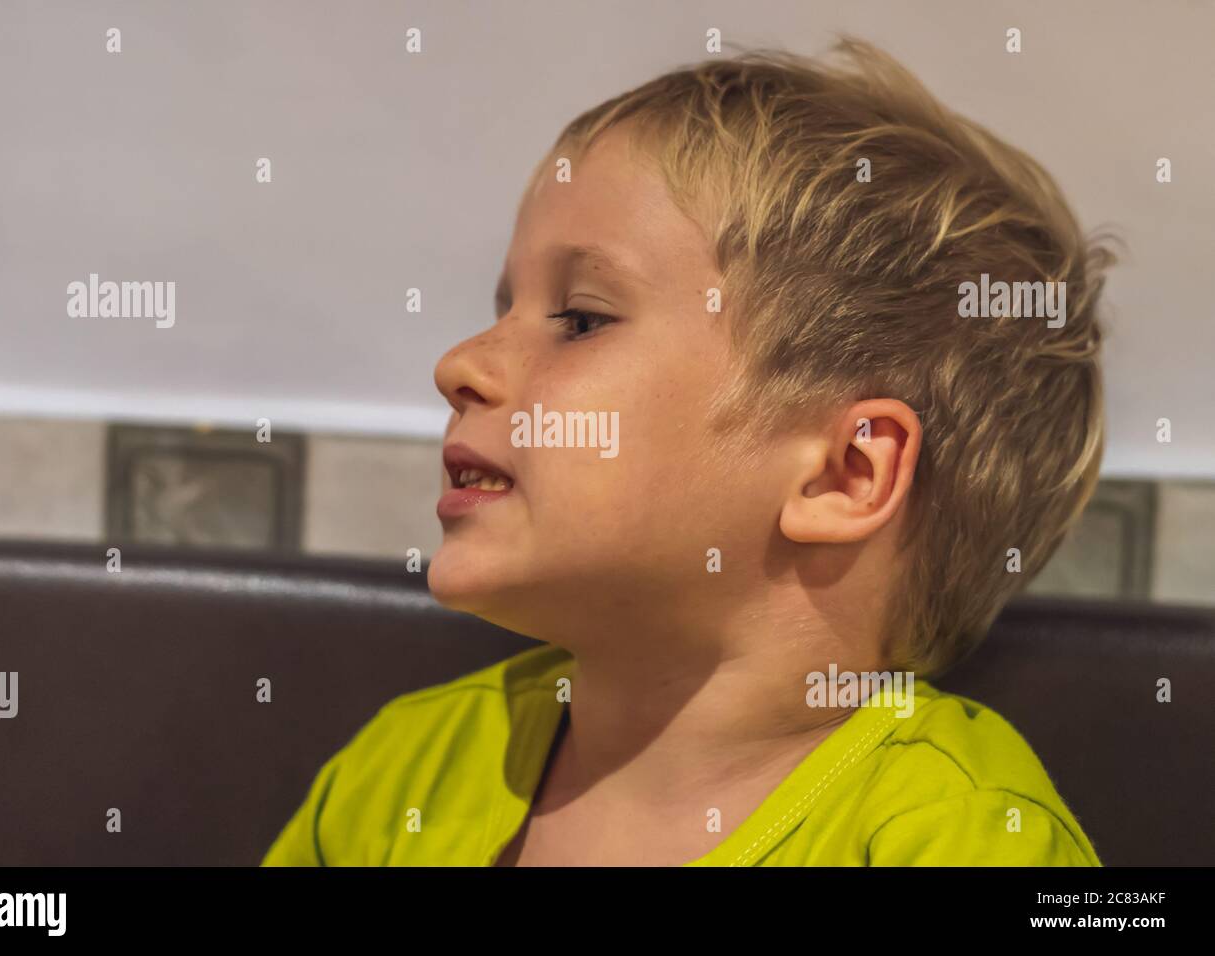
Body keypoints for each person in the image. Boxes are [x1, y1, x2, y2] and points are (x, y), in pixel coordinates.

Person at [263, 37, 1111, 866]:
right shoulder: (408, 771)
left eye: (582, 318)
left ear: (843, 475)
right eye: (503, 306)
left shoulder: (964, 838)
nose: (459, 365)